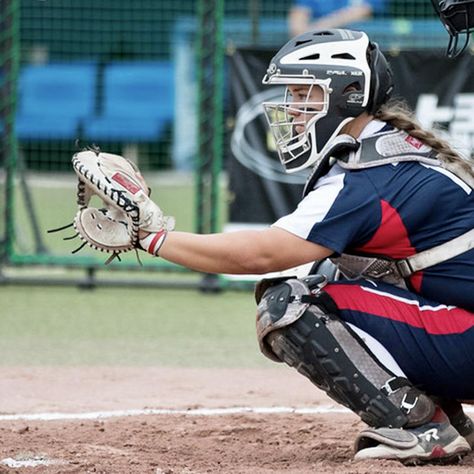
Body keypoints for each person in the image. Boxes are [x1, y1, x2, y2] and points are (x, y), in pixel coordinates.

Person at [138, 29, 474, 464]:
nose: (292, 109)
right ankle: (449, 419)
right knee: (339, 275)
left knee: (289, 303)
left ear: (349, 94)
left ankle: (422, 428)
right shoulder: (381, 150)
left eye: (304, 94)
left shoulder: (367, 177)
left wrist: (152, 236)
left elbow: (261, 254)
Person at [288, 0, 387, 37]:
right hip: (321, 45)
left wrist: (320, 27)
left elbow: (363, 11)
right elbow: (298, 17)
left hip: (358, 46)